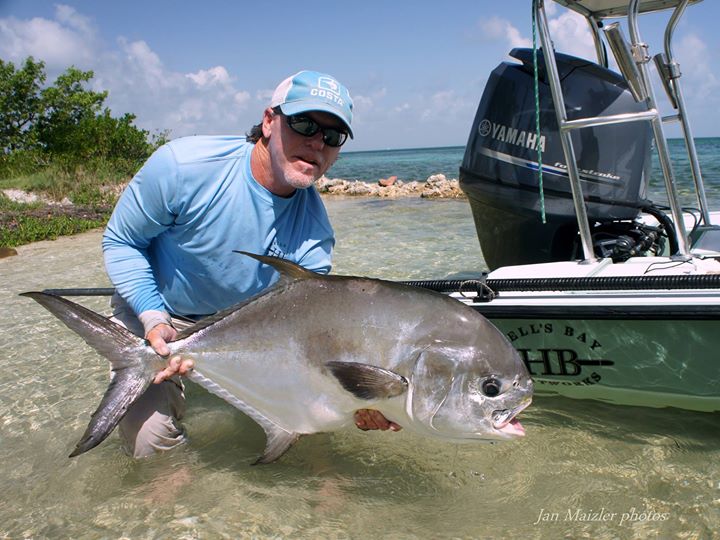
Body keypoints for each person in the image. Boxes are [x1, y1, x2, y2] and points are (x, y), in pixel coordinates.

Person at [102, 70, 400, 458]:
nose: (316, 143)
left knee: (317, 444)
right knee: (150, 446)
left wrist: (358, 399)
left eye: (332, 136)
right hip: (159, 313)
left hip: (251, 330)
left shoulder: (315, 232)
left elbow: (310, 325)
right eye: (305, 123)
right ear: (269, 121)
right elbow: (122, 241)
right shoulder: (183, 167)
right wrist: (152, 317)